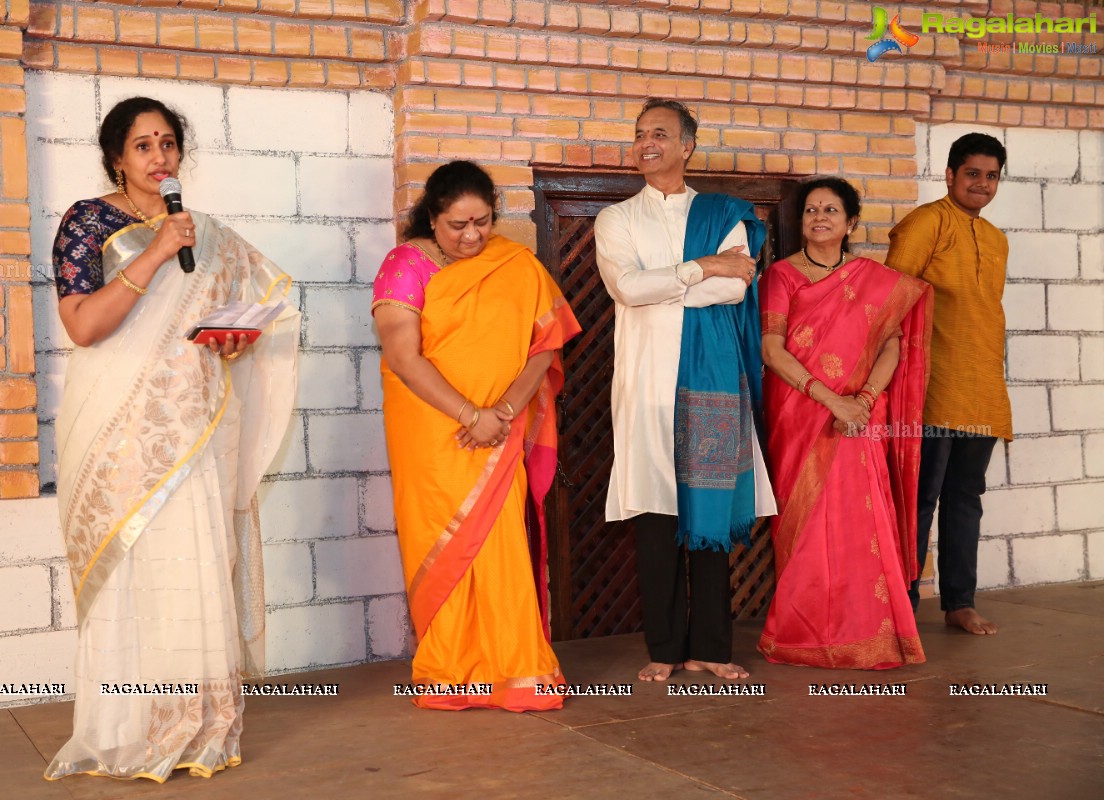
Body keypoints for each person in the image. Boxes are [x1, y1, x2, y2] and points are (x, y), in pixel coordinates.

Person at [45, 97, 300, 781]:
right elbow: (84, 326)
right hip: (121, 432)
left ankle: (190, 726)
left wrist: (234, 339)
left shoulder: (206, 232)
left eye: (168, 144)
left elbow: (263, 302)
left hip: (194, 428)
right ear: (116, 159)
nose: (160, 159)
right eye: (143, 147)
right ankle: (129, 728)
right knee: (133, 569)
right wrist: (157, 250)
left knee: (190, 567)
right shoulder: (88, 222)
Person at [372, 161, 581, 710]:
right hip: (434, 430)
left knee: (501, 542)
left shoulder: (514, 264)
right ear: (433, 219)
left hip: (500, 429)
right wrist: (471, 415)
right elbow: (403, 355)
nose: (472, 236)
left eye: (483, 222)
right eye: (457, 225)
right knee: (443, 542)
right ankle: (452, 670)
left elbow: (546, 346)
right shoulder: (405, 264)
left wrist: (504, 411)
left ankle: (516, 668)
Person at [594, 98, 776, 683]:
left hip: (712, 381)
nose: (648, 143)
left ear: (687, 145)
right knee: (655, 514)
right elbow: (626, 288)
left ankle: (713, 650)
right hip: (646, 381)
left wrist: (667, 284)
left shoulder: (725, 211)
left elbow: (736, 289)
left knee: (710, 513)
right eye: (640, 133)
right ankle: (665, 650)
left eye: (662, 134)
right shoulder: (616, 219)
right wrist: (700, 267)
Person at [757, 177, 931, 669]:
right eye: (811, 210)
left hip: (859, 415)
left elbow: (892, 344)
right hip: (803, 414)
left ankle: (866, 633)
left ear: (851, 221)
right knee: (808, 525)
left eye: (830, 210)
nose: (819, 218)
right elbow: (772, 350)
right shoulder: (781, 277)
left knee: (860, 524)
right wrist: (833, 401)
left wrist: (866, 400)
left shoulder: (872, 280)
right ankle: (803, 632)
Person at [887, 133, 1011, 636]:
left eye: (991, 175)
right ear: (951, 175)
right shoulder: (926, 223)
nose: (982, 184)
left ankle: (960, 601)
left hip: (981, 385)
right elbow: (891, 296)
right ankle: (904, 603)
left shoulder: (997, 239)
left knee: (966, 496)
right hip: (931, 388)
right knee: (921, 497)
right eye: (973, 174)